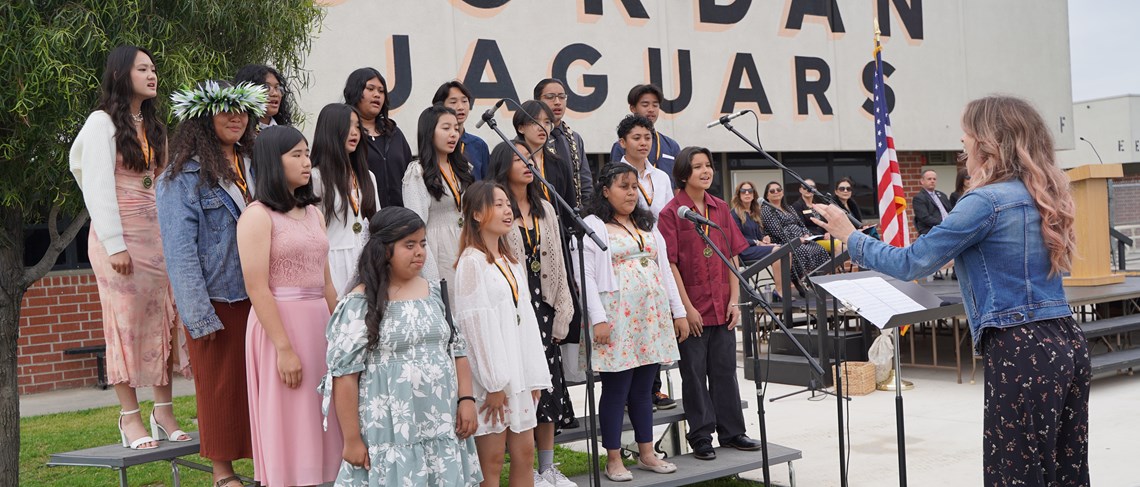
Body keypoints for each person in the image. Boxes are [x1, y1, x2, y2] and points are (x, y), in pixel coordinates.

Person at [811, 95, 1089, 486]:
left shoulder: (985, 201)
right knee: (1066, 471)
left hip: (1020, 348)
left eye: (968, 133)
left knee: (1015, 475)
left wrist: (850, 236)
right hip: (1066, 340)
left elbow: (913, 262)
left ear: (989, 141)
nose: (962, 140)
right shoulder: (1041, 192)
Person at [69, 45, 189, 451]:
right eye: (143, 69)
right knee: (124, 324)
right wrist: (115, 243)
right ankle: (129, 417)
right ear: (122, 74)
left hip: (157, 236)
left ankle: (164, 410)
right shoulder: (101, 123)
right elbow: (97, 185)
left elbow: (164, 183)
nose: (152, 75)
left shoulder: (155, 126)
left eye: (154, 68)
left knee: (163, 320)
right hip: (116, 238)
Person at [320, 205, 483, 486]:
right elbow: (344, 376)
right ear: (384, 250)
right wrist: (352, 439)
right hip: (391, 431)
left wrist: (466, 399)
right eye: (409, 245)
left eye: (422, 243)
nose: (420, 251)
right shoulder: (360, 302)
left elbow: (457, 349)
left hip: (441, 422)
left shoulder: (434, 293)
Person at [157, 79, 266, 487]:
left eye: (242, 110)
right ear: (202, 118)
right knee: (221, 390)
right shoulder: (179, 178)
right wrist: (199, 316)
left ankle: (267, 462)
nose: (236, 117)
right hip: (220, 298)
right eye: (225, 110)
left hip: (262, 295)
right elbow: (180, 253)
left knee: (260, 384)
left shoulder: (257, 162)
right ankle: (223, 473)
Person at [237, 126, 342, 486]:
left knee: (324, 412)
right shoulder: (257, 215)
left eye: (306, 153)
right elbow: (257, 288)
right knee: (291, 415)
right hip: (280, 326)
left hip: (320, 325)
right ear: (272, 161)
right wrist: (284, 348)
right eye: (295, 154)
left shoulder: (313, 213)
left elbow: (326, 281)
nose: (306, 162)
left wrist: (344, 330)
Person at [579, 163, 688, 481]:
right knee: (616, 389)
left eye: (634, 186)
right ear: (605, 190)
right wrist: (597, 318)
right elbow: (583, 275)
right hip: (616, 319)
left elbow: (664, 269)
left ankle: (647, 452)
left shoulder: (647, 223)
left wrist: (677, 311)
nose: (631, 192)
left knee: (643, 390)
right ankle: (614, 459)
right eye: (623, 186)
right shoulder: (593, 225)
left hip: (650, 318)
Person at [658, 147, 763, 461]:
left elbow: (732, 256)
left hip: (722, 306)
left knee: (725, 371)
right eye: (697, 166)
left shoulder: (720, 209)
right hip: (693, 310)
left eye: (708, 166)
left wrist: (735, 301)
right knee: (693, 374)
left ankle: (732, 432)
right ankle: (701, 436)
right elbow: (671, 264)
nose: (706, 171)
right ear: (683, 173)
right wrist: (685, 309)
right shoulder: (671, 213)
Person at [488, 142, 577, 487]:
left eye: (529, 158)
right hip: (516, 307)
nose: (527, 163)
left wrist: (563, 311)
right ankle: (523, 469)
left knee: (548, 387)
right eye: (516, 158)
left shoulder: (545, 208)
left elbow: (560, 265)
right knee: (522, 387)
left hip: (547, 306)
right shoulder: (496, 209)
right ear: (501, 165)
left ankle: (547, 468)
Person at [452, 181, 551, 487]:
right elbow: (474, 328)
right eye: (498, 204)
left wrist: (532, 375)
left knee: (524, 454)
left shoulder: (509, 260)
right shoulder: (471, 262)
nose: (508, 210)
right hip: (492, 380)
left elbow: (526, 322)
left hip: (518, 376)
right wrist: (494, 383)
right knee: (492, 461)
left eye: (508, 204)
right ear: (478, 214)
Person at [613, 114, 677, 410]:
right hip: (631, 254)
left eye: (647, 138)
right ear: (622, 143)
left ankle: (653, 388)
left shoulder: (661, 177)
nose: (643, 143)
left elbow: (667, 217)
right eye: (636, 138)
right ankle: (631, 393)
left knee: (655, 320)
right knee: (635, 321)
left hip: (658, 250)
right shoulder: (617, 175)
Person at [311, 103, 381, 296]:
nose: (355, 132)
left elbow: (377, 225)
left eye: (358, 126)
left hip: (366, 264)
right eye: (348, 126)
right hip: (332, 264)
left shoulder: (368, 177)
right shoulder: (315, 177)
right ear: (331, 130)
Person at [403, 105, 474, 294]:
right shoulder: (417, 173)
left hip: (467, 247)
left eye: (456, 128)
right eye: (446, 128)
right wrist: (431, 277)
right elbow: (416, 228)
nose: (453, 134)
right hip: (438, 252)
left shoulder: (463, 168)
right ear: (429, 132)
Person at [344, 68, 413, 208]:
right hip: (362, 216)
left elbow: (410, 175)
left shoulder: (394, 134)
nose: (377, 95)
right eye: (370, 89)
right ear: (355, 91)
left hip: (400, 217)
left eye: (381, 91)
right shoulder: (346, 134)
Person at [534, 78, 593, 207]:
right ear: (537, 102)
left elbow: (585, 183)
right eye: (550, 97)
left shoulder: (574, 138)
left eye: (562, 97)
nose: (557, 102)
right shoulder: (532, 137)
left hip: (575, 214)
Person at [758, 181, 831, 283]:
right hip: (785, 242)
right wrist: (797, 240)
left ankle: (820, 280)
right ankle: (801, 280)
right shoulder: (766, 210)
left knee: (819, 249)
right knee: (803, 251)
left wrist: (806, 235)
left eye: (778, 190)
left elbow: (801, 224)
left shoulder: (789, 208)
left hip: (801, 239)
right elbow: (777, 231)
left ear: (782, 193)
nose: (776, 192)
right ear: (767, 195)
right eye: (772, 191)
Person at [609, 84, 681, 186]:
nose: (651, 109)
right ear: (633, 108)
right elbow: (615, 183)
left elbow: (678, 186)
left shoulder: (671, 145)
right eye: (645, 105)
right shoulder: (621, 146)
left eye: (655, 105)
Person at [512, 100, 576, 212]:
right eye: (534, 122)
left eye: (547, 122)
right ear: (520, 128)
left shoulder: (559, 163)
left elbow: (570, 206)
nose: (542, 127)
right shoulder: (513, 161)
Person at [729, 181, 784, 296]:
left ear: (754, 194)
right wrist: (757, 242)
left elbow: (759, 236)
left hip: (756, 248)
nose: (747, 193)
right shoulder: (734, 214)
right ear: (739, 194)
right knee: (778, 252)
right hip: (743, 251)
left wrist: (765, 239)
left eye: (750, 191)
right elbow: (736, 238)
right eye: (743, 191)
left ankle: (783, 287)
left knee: (785, 250)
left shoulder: (755, 212)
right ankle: (779, 291)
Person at [433, 80, 491, 180]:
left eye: (464, 101)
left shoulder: (478, 145)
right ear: (440, 106)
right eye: (453, 102)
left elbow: (487, 183)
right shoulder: (435, 143)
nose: (460, 107)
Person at [234, 64, 293, 130]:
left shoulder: (286, 133)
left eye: (277, 87)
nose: (275, 94)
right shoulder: (236, 131)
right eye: (266, 87)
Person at [912, 169, 953, 236]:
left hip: (949, 228)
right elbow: (925, 218)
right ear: (922, 181)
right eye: (929, 179)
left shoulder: (942, 195)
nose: (932, 181)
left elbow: (951, 211)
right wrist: (943, 224)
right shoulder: (919, 198)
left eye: (934, 179)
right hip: (932, 230)